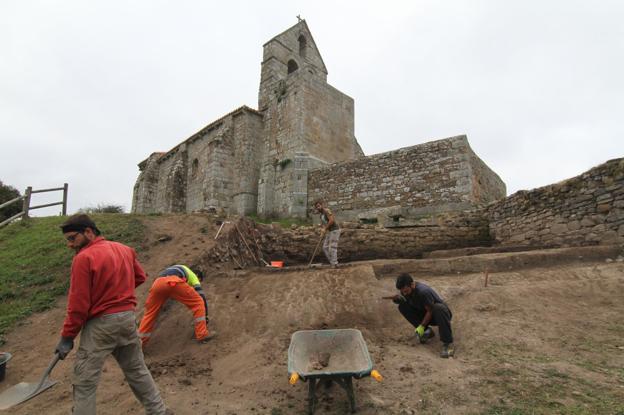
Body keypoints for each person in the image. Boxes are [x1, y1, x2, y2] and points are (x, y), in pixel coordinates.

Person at [55, 214, 168, 414]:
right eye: (68, 240)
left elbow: (78, 306)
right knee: (137, 370)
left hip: (100, 326)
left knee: (85, 381)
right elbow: (140, 277)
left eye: (73, 238)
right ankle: (158, 411)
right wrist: (118, 292)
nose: (70, 245)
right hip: (127, 319)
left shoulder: (83, 258)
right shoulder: (124, 249)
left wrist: (67, 337)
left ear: (89, 232)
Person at [138, 265, 214, 347]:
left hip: (157, 284)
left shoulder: (179, 269)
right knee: (198, 302)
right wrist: (205, 317)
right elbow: (201, 296)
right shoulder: (193, 276)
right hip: (173, 282)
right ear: (197, 276)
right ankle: (202, 334)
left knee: (150, 313)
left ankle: (139, 344)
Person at [390, 273, 455, 358]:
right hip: (424, 312)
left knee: (438, 308)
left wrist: (421, 326)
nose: (404, 294)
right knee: (402, 306)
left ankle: (448, 344)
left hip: (438, 315)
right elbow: (406, 300)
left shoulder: (423, 292)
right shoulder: (406, 291)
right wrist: (398, 300)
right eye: (402, 292)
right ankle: (427, 332)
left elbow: (430, 310)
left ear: (412, 284)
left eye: (406, 291)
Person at [313, 199, 341, 268]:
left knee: (332, 247)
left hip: (335, 230)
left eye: (319, 206)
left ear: (322, 205)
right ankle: (332, 262)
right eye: (317, 207)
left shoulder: (327, 211)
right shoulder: (321, 215)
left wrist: (325, 228)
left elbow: (331, 220)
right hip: (329, 231)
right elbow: (324, 225)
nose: (318, 208)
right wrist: (322, 232)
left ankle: (335, 264)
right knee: (325, 247)